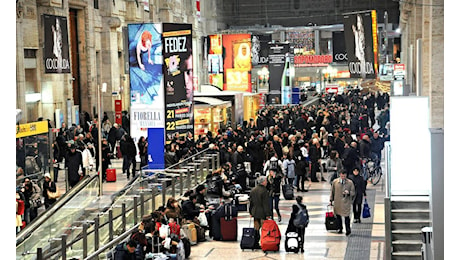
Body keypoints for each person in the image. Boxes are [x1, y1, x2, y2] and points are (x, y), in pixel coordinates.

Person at [330, 170, 355, 236]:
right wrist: (331, 200)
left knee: (346, 216)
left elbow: (353, 192)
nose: (343, 177)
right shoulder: (335, 182)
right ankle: (340, 228)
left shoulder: (350, 183)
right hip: (337, 202)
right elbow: (332, 191)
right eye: (342, 175)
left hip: (346, 202)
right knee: (338, 216)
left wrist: (349, 193)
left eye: (344, 176)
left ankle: (348, 230)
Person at [249, 176, 271, 249]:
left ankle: (255, 243)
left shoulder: (253, 190)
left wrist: (250, 211)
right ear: (263, 182)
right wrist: (268, 214)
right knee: (264, 228)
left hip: (254, 211)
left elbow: (251, 202)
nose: (267, 182)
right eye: (266, 181)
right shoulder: (264, 191)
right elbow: (266, 204)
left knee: (256, 228)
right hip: (262, 213)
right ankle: (263, 242)